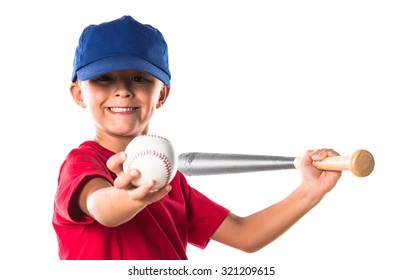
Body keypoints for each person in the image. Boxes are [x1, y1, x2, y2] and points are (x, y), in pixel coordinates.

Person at [52, 15, 342, 260]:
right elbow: (102, 207)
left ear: (162, 94)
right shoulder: (81, 163)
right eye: (104, 78)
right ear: (79, 94)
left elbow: (245, 234)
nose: (123, 90)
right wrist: (129, 198)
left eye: (139, 78)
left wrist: (309, 191)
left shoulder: (172, 182)